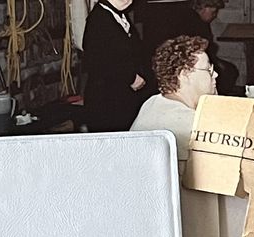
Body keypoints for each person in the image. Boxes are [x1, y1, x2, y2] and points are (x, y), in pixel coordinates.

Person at [83, 0, 155, 132]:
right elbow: (98, 60)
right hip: (106, 100)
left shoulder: (118, 16)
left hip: (122, 97)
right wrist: (131, 77)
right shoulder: (99, 20)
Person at [131, 35, 216, 139]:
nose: (215, 74)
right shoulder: (190, 123)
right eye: (208, 70)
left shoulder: (151, 102)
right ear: (185, 74)